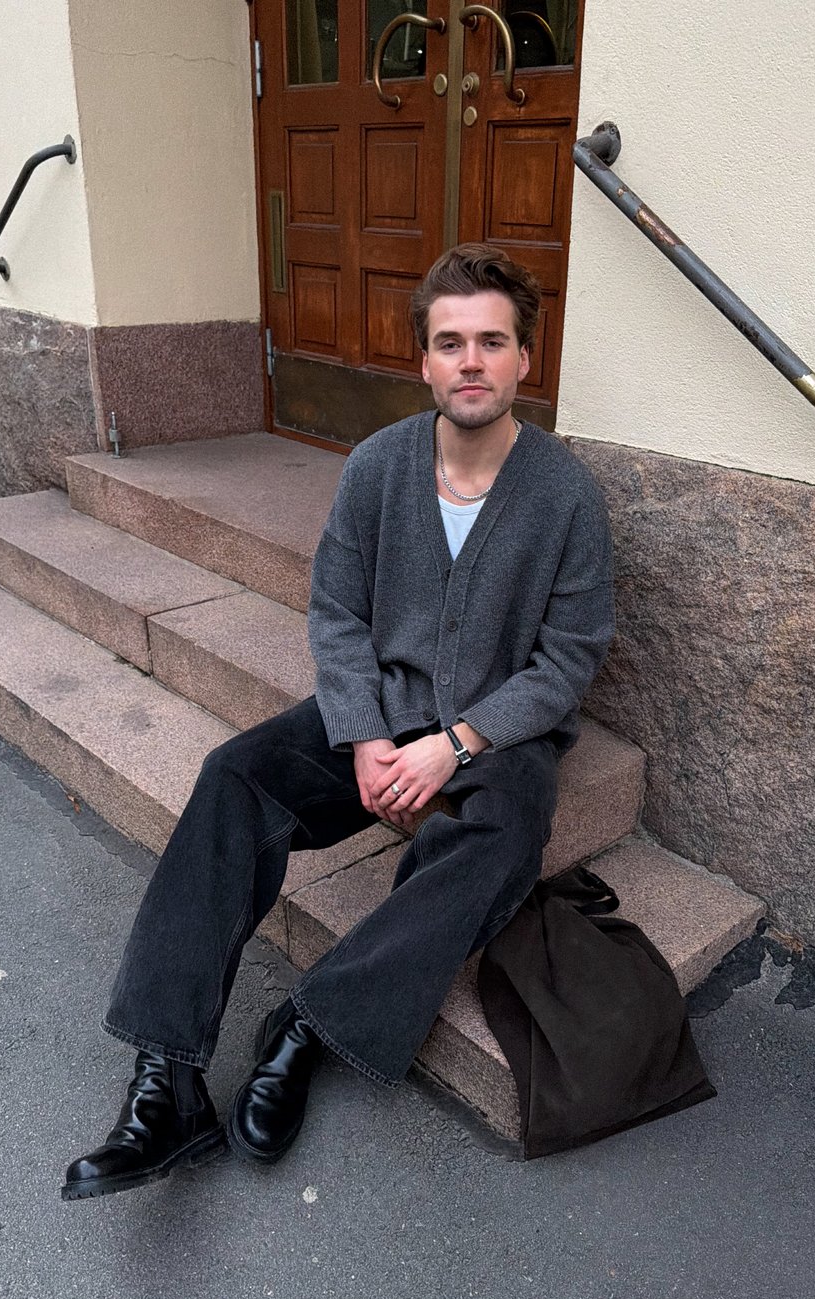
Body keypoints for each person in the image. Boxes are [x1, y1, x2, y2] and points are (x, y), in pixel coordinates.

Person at [62, 243, 615, 1201]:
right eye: (451, 343)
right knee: (237, 775)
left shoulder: (566, 498)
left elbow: (565, 664)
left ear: (528, 358)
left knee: (507, 832)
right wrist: (364, 734)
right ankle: (167, 1081)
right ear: (425, 361)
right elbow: (338, 614)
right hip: (377, 713)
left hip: (493, 735)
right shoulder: (376, 468)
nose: (472, 362)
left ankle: (307, 1026)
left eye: (493, 341)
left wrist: (456, 745)